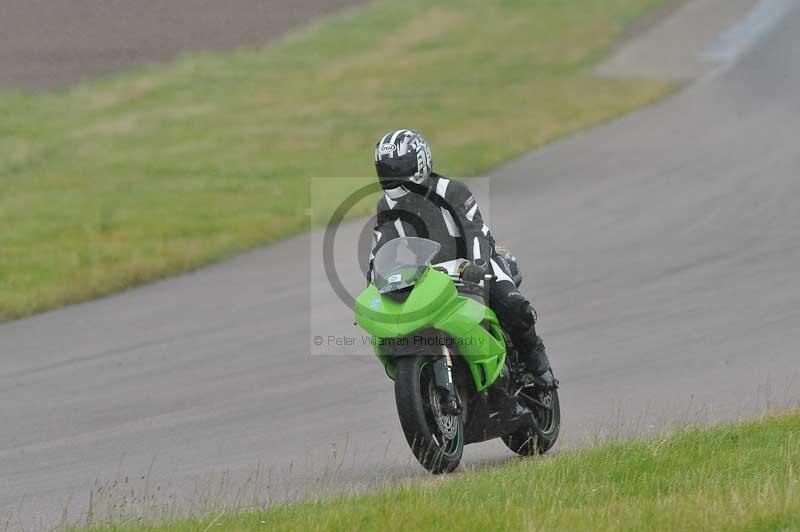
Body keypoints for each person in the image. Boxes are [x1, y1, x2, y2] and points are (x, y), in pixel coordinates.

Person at [366, 129, 557, 389]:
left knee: (513, 306)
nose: (392, 177)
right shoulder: (386, 207)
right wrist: (375, 280)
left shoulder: (451, 190)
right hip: (428, 275)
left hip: (476, 262)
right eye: (386, 171)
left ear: (420, 163)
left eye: (398, 169)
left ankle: (538, 364)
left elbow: (473, 230)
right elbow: (381, 246)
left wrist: (476, 266)